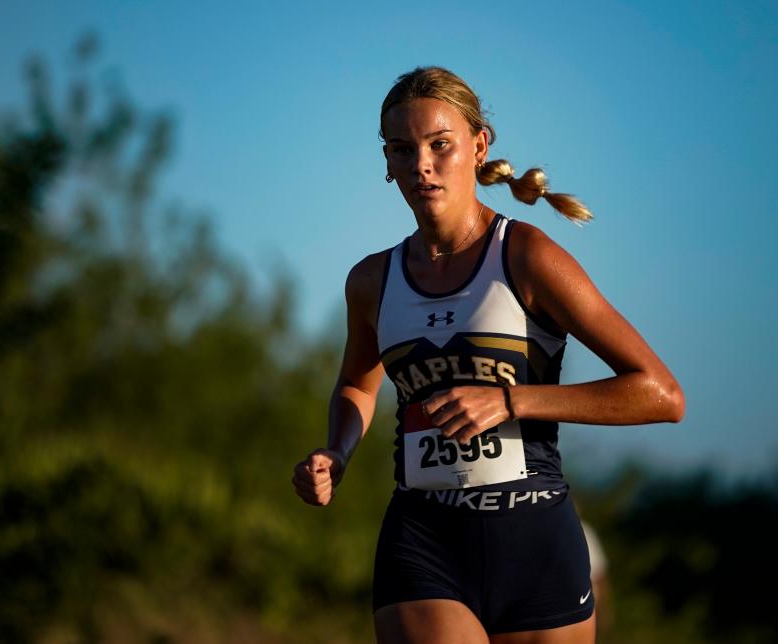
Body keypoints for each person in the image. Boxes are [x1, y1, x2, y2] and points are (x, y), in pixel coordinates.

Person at [291, 66, 684, 644]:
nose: (421, 164)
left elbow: (660, 393)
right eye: (402, 149)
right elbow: (357, 384)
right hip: (422, 539)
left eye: (439, 145)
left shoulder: (527, 256)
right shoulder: (371, 280)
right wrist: (338, 450)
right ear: (387, 161)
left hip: (534, 540)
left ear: (478, 147)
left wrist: (510, 400)